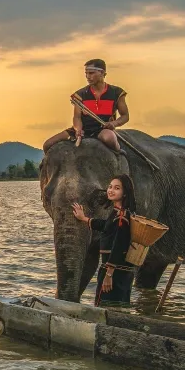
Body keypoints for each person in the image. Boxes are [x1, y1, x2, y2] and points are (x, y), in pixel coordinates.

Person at [72, 174, 137, 306]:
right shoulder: (119, 213)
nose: (111, 190)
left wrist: (109, 274)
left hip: (115, 272)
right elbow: (106, 226)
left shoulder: (121, 217)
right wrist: (84, 218)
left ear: (125, 193)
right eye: (110, 186)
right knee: (116, 306)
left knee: (109, 306)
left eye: (117, 188)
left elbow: (119, 246)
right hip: (118, 270)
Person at [43, 59, 129, 153]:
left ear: (102, 73)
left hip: (102, 129)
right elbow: (77, 117)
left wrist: (113, 124)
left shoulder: (116, 92)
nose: (88, 77)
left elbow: (125, 116)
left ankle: (119, 153)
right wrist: (78, 129)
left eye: (91, 73)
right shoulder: (80, 94)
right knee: (47, 144)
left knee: (109, 138)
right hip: (83, 129)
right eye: (86, 74)